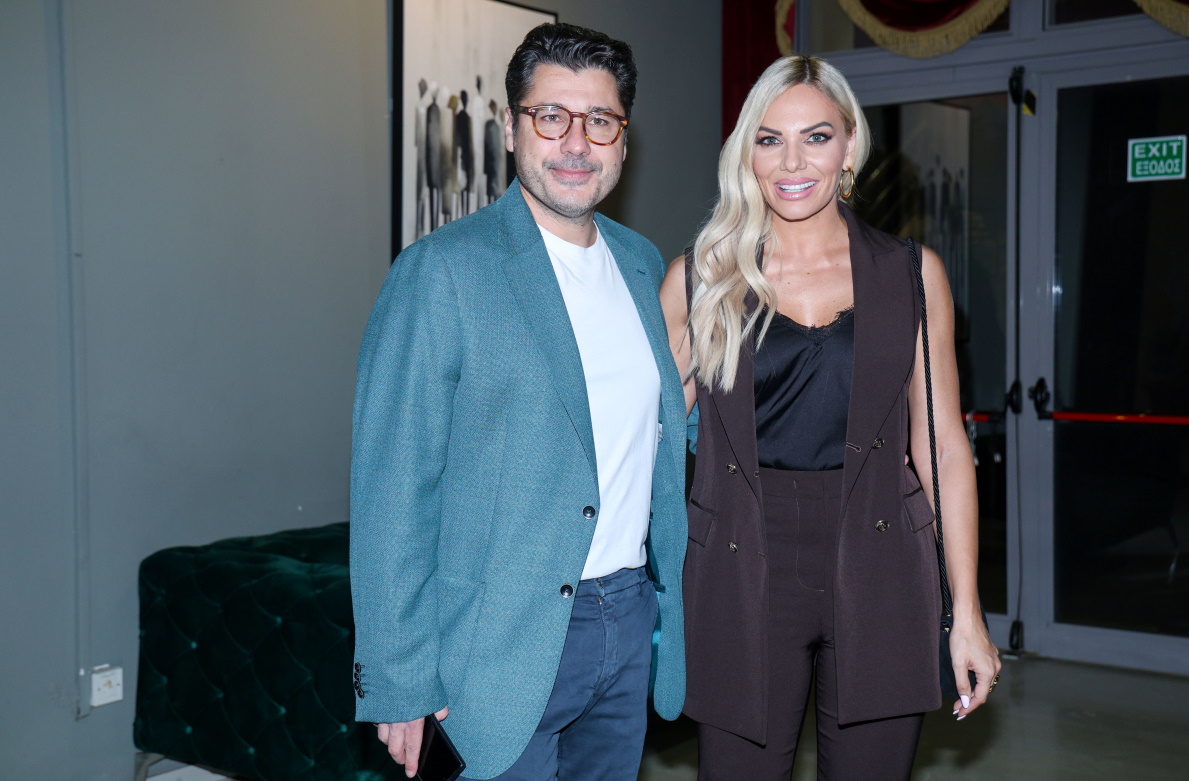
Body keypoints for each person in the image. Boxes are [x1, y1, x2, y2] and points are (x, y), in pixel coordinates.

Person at [351, 22, 688, 781]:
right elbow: (392, 490)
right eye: (550, 116)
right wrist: (399, 679)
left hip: (627, 618)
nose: (576, 143)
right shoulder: (441, 272)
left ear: (623, 139)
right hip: (497, 645)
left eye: (599, 120)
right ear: (510, 128)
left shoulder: (641, 266)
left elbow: (651, 428)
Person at [658, 55, 1001, 780]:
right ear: (746, 153)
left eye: (815, 137)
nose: (792, 162)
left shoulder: (910, 274)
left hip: (882, 558)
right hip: (738, 563)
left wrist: (966, 610)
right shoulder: (701, 279)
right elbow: (646, 440)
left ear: (848, 148)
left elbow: (942, 446)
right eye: (769, 138)